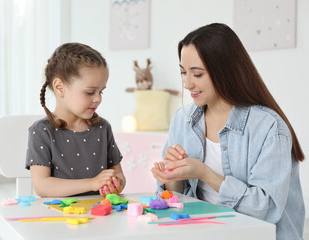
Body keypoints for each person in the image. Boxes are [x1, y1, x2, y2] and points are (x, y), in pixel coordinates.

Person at [151, 23, 305, 240]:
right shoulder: (183, 120)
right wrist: (173, 175)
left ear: (225, 71)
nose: (187, 84)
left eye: (197, 74)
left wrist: (205, 174)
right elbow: (175, 195)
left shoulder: (268, 127)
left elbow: (267, 209)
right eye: (183, 73)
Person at [25, 43, 126, 198]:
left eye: (101, 92)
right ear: (60, 88)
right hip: (59, 217)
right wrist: (92, 183)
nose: (98, 99)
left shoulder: (102, 127)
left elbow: (119, 174)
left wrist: (116, 183)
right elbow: (42, 186)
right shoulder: (42, 131)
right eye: (90, 92)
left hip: (99, 215)